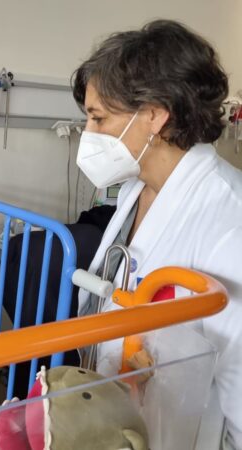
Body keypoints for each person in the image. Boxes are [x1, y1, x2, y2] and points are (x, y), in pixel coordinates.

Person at [72, 20, 242, 449]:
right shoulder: (136, 190)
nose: (88, 135)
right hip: (120, 419)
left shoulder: (230, 221)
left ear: (154, 115)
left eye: (98, 118)